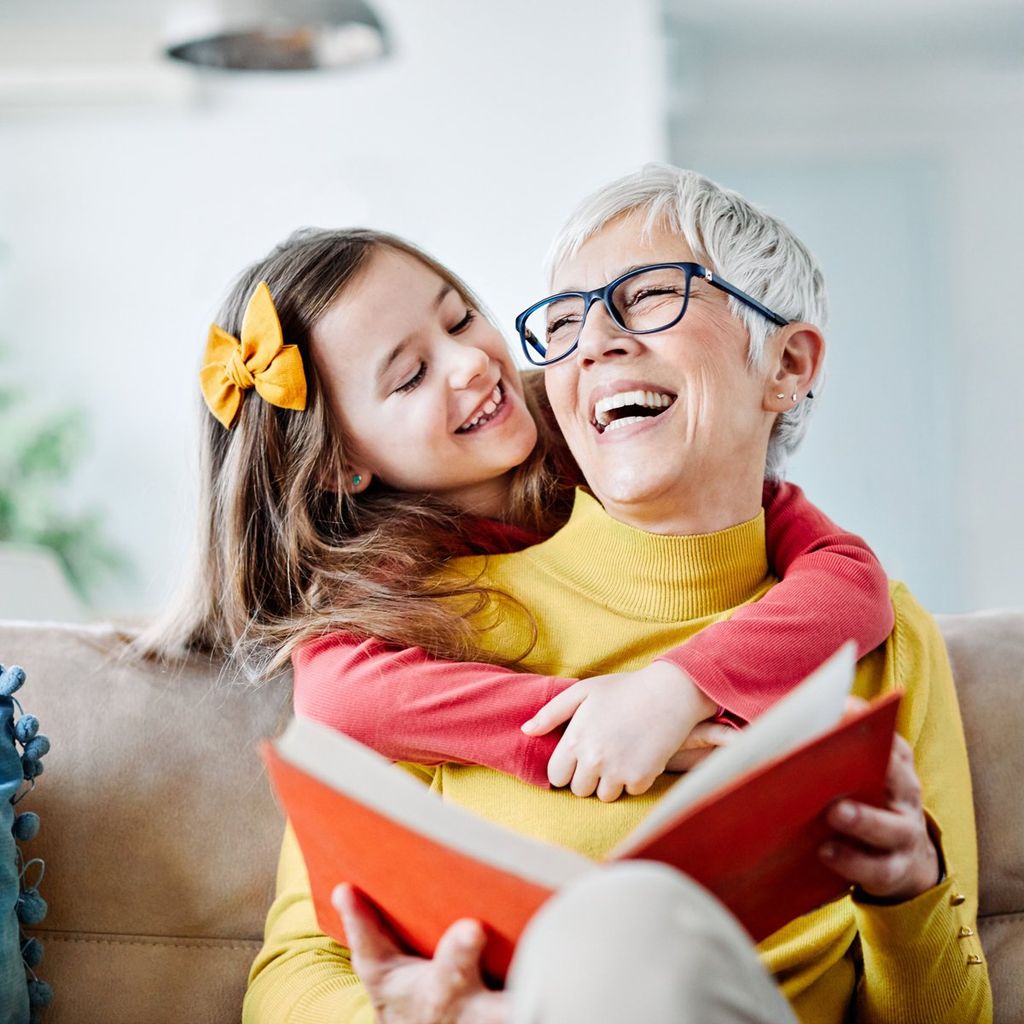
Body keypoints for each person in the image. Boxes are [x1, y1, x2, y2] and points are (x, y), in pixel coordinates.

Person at [240, 166, 992, 1023]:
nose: (594, 340)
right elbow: (291, 979)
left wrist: (908, 895)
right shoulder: (413, 634)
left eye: (648, 298)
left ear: (787, 364)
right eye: (563, 321)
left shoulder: (881, 637)